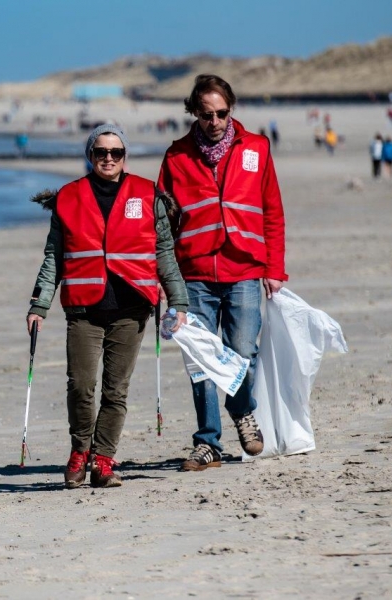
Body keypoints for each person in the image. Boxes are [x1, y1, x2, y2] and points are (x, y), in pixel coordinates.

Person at [26, 124, 189, 489]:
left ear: (124, 156)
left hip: (132, 307)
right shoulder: (68, 197)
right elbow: (54, 257)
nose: (109, 158)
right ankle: (80, 451)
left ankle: (102, 459)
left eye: (116, 152)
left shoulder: (148, 194)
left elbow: (164, 252)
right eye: (101, 152)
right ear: (91, 156)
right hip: (84, 308)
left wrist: (178, 300)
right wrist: (39, 305)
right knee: (80, 386)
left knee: (116, 390)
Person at [157, 74, 287, 471]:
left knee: (242, 353)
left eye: (221, 113)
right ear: (194, 113)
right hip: (194, 274)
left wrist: (274, 268)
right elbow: (162, 226)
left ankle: (242, 411)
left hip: (244, 268)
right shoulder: (176, 156)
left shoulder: (257, 148)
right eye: (206, 114)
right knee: (199, 360)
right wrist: (163, 280)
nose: (214, 121)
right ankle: (207, 443)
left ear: (231, 110)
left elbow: (272, 211)